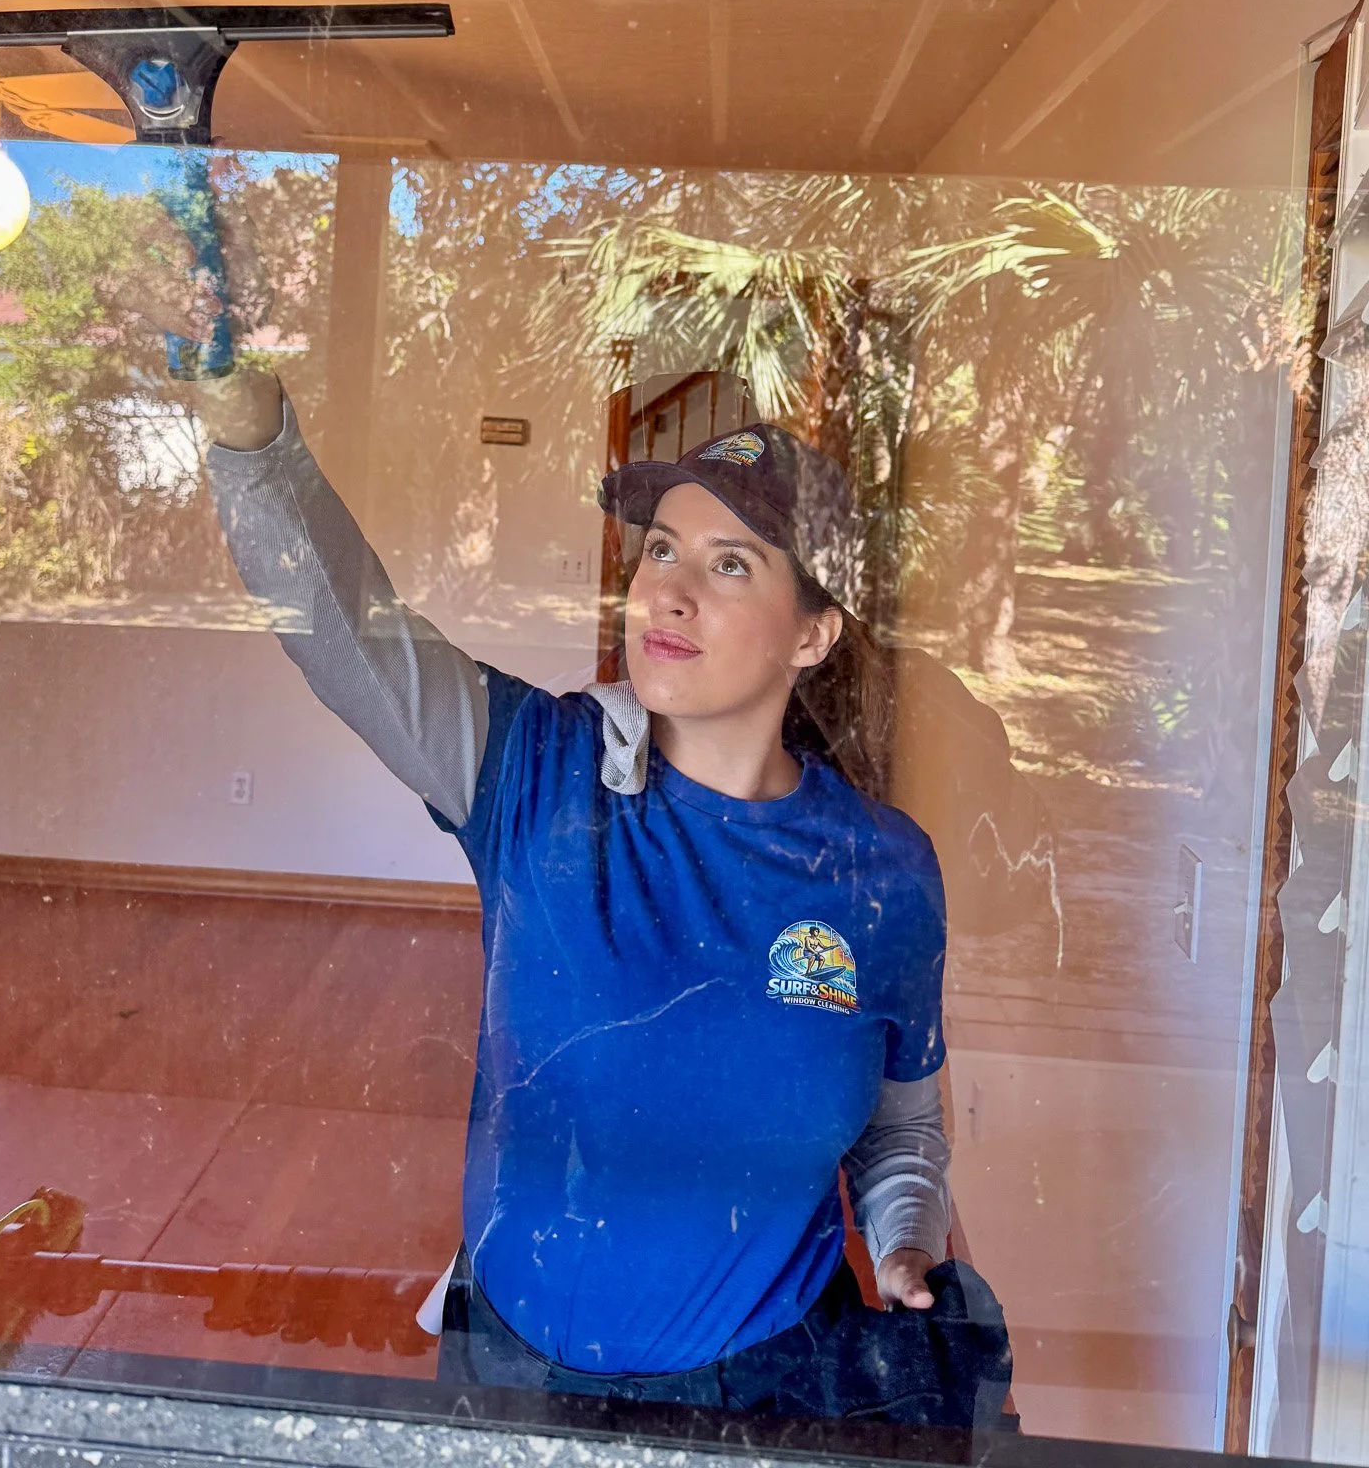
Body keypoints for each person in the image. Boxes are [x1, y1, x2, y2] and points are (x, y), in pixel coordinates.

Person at [153, 227, 1011, 1424]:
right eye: (662, 547)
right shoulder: (536, 773)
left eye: (729, 563)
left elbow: (902, 1122)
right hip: (513, 1364)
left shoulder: (882, 871)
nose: (666, 587)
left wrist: (906, 1242)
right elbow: (347, 633)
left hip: (762, 1381)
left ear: (813, 632)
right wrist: (253, 441)